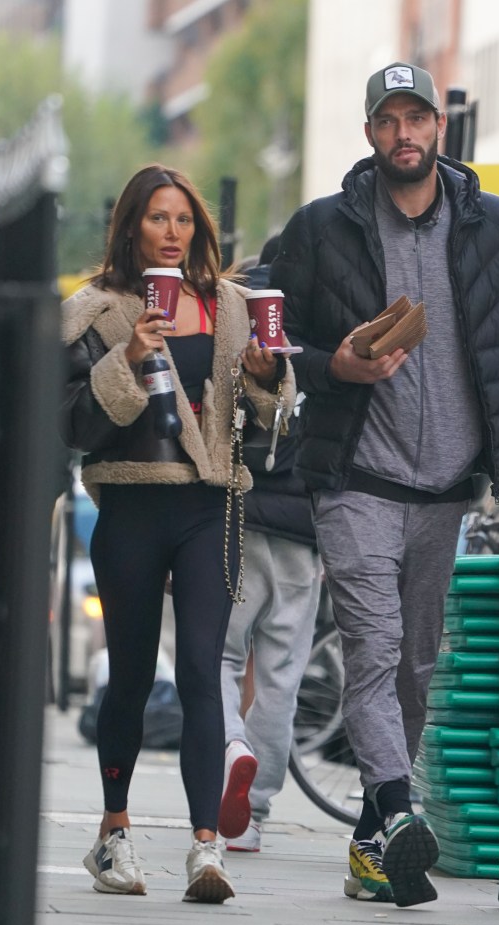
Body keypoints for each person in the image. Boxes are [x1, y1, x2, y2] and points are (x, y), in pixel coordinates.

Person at [270, 61, 499, 908]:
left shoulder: (496, 227)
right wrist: (327, 364)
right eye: (387, 121)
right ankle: (399, 807)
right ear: (369, 133)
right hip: (355, 477)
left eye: (416, 119)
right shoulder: (322, 228)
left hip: (447, 489)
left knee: (414, 665)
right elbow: (263, 333)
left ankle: (375, 842)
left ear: (437, 128)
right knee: (372, 650)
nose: (402, 134)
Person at [59, 163, 295, 904]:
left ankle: (205, 846)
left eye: (184, 219)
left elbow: (267, 418)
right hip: (130, 502)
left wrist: (265, 376)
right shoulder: (94, 311)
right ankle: (115, 832)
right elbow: (68, 423)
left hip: (208, 507)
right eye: (158, 218)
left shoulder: (230, 306)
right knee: (130, 675)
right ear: (131, 225)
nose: (172, 232)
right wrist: (127, 358)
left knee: (201, 668)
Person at [218, 240, 322, 853]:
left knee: (222, 659)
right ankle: (252, 817)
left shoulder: (232, 312)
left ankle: (231, 747)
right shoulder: (329, 320)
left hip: (237, 514)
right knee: (282, 673)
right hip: (303, 530)